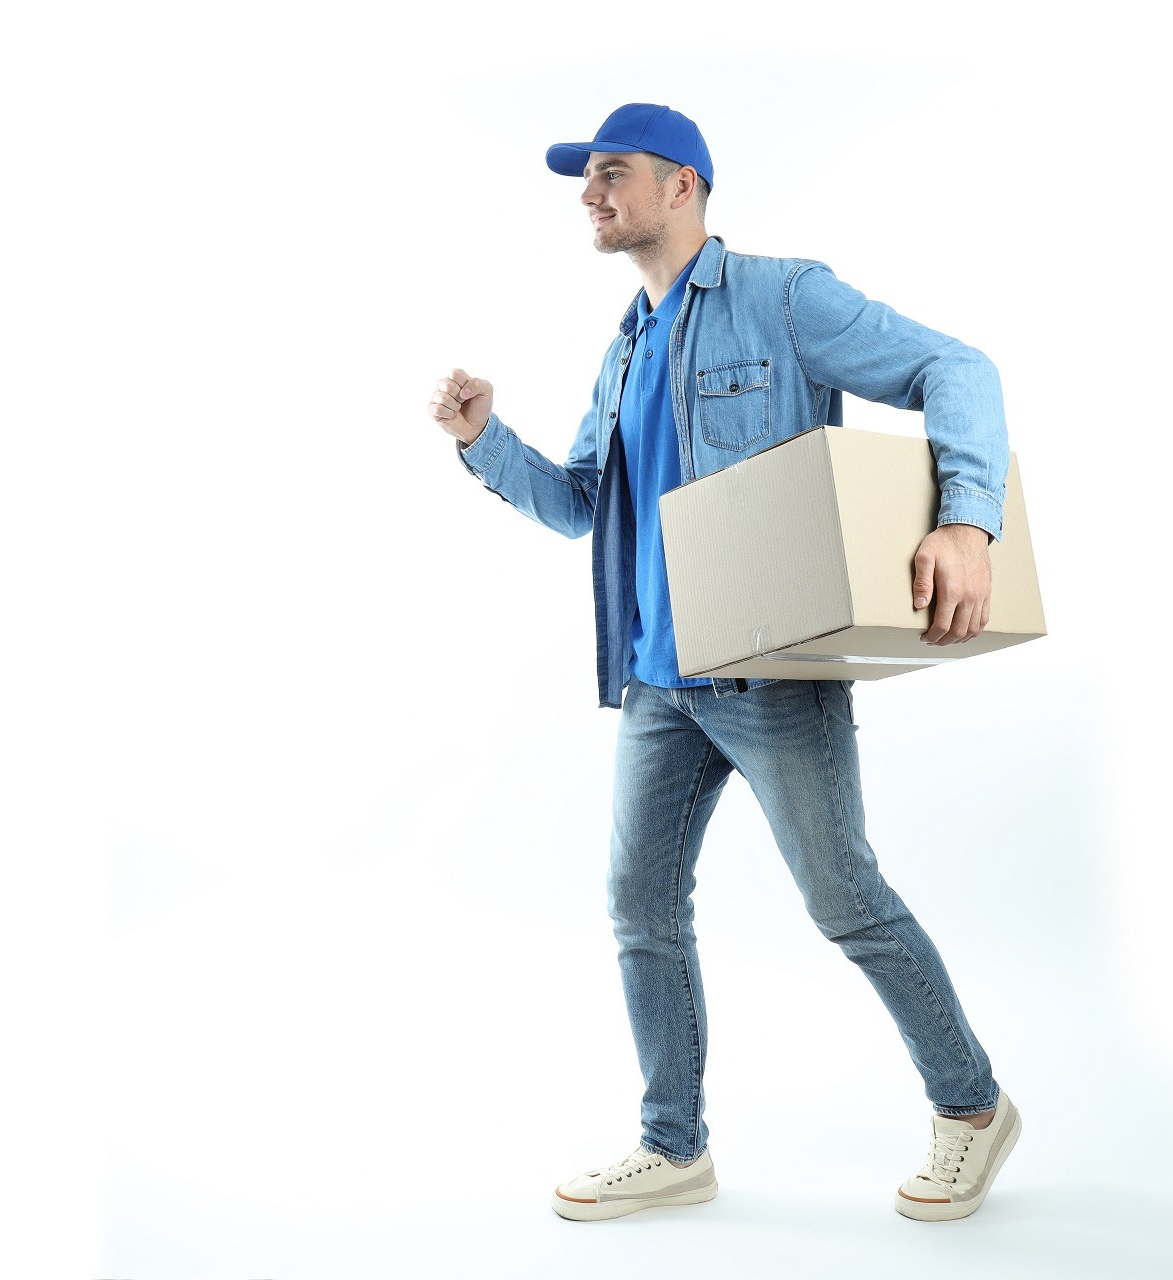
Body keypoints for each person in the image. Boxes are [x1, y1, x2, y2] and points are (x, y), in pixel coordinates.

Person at [425, 103, 1022, 1223]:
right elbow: (581, 507)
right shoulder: (627, 345)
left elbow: (959, 366)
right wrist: (484, 442)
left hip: (771, 674)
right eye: (585, 178)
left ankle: (974, 1107)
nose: (591, 194)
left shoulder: (783, 298)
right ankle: (674, 1143)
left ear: (685, 185)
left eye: (613, 174)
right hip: (658, 684)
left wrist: (969, 522)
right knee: (639, 905)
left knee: (846, 900)